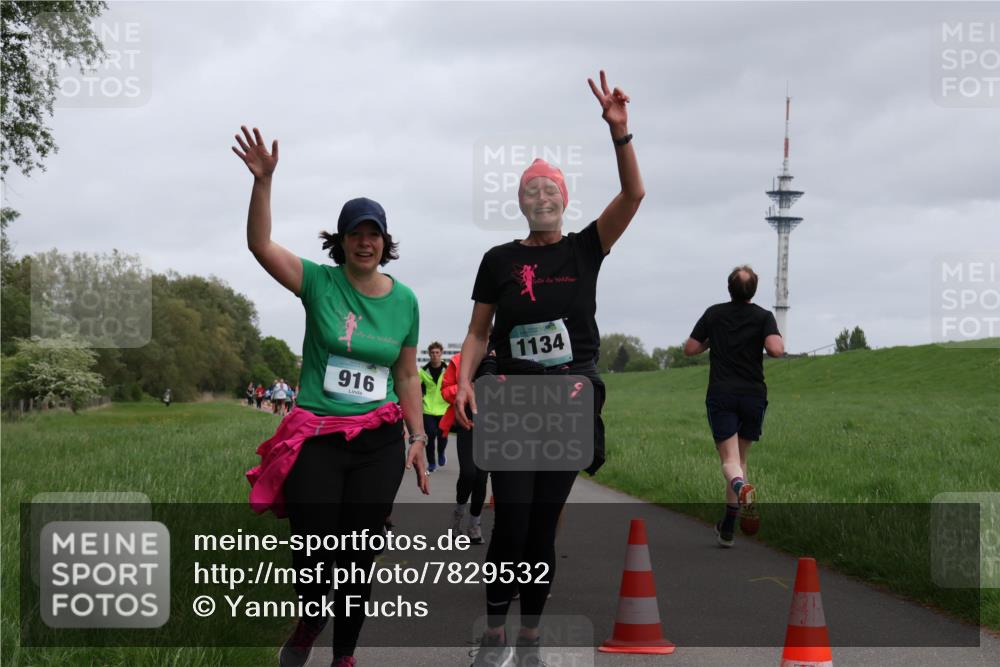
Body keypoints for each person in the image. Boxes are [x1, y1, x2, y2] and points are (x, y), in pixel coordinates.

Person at [455, 70, 644, 666]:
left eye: (550, 189)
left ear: (564, 198)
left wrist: (620, 133)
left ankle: (532, 637)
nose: (541, 197)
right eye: (531, 191)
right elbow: (479, 331)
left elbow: (634, 196)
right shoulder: (499, 259)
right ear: (520, 201)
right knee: (510, 522)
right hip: (509, 397)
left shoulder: (585, 248)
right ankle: (492, 635)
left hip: (567, 400)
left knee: (541, 528)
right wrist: (462, 380)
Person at [233, 125, 429, 667]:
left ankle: (344, 656)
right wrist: (263, 184)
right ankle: (310, 619)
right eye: (355, 233)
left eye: (375, 234)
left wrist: (417, 437)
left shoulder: (407, 301)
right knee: (313, 552)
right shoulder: (319, 282)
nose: (366, 242)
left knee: (359, 555)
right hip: (317, 436)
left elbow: (408, 376)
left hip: (377, 439)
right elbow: (259, 245)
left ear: (386, 243)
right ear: (341, 240)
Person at [683, 265, 784, 548]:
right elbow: (776, 349)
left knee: (730, 463)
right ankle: (728, 529)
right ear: (754, 290)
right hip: (753, 395)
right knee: (740, 461)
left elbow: (690, 348)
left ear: (729, 288)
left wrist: (711, 343)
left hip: (722, 393)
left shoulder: (714, 313)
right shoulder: (764, 317)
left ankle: (742, 489)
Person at [439, 349, 489, 544]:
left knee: (482, 478)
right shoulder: (459, 360)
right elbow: (445, 391)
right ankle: (458, 514)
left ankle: (474, 523)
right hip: (466, 423)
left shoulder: (502, 359)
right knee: (469, 473)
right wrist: (466, 388)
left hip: (491, 427)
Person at [418, 342, 450, 471]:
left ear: (441, 353)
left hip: (444, 408)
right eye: (432, 353)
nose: (435, 355)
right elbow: (417, 389)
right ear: (429, 354)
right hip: (428, 409)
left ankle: (441, 453)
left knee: (443, 436)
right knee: (430, 436)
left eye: (437, 352)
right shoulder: (422, 372)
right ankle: (431, 463)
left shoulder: (448, 370)